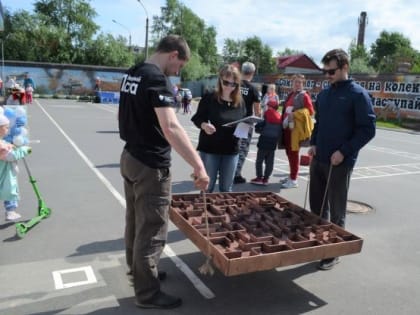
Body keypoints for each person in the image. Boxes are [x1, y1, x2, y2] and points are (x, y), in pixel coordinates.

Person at [118, 35, 209, 309]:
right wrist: (198, 164)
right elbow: (170, 127)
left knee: (135, 220)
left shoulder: (133, 73)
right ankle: (147, 293)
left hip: (130, 156)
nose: (178, 71)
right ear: (172, 54)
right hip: (150, 164)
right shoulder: (157, 79)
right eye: (180, 64)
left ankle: (141, 272)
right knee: (153, 227)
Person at [308, 49, 376, 270]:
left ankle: (333, 252)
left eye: (331, 71)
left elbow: (367, 130)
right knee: (318, 207)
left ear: (345, 67)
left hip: (339, 162)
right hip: (320, 158)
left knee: (337, 210)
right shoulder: (325, 95)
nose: (327, 75)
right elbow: (319, 123)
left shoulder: (358, 95)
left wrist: (344, 151)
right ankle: (320, 244)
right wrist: (313, 143)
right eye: (325, 71)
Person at [191, 64, 246, 193]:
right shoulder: (210, 96)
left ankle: (223, 213)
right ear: (220, 80)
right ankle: (204, 212)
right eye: (226, 82)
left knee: (226, 188)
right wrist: (204, 126)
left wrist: (246, 126)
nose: (229, 87)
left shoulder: (240, 101)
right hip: (211, 149)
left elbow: (243, 120)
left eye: (234, 84)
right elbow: (197, 118)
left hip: (231, 150)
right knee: (207, 187)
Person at [280, 74, 315, 189]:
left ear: (303, 83)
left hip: (295, 130)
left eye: (300, 82)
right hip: (287, 128)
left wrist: (293, 115)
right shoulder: (291, 94)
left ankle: (294, 179)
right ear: (292, 83)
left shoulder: (304, 96)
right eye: (296, 82)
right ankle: (291, 176)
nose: (298, 84)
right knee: (289, 153)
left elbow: (310, 112)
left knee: (294, 154)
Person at [233, 61, 261, 184]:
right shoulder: (253, 89)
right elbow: (257, 110)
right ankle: (236, 174)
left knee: (230, 146)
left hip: (231, 120)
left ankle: (225, 170)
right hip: (245, 122)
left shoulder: (234, 84)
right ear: (252, 73)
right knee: (242, 148)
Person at [0, 114, 31, 221]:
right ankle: (10, 212)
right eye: (6, 127)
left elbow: (4, 146)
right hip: (4, 173)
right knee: (10, 190)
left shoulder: (2, 142)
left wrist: (10, 145)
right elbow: (10, 156)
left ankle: (11, 211)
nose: (8, 130)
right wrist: (24, 150)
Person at [250, 100, 282, 185]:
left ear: (270, 106)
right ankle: (266, 179)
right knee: (269, 161)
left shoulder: (267, 113)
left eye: (268, 105)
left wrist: (257, 126)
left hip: (264, 140)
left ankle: (259, 177)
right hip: (273, 142)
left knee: (259, 160)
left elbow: (259, 125)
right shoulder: (279, 116)